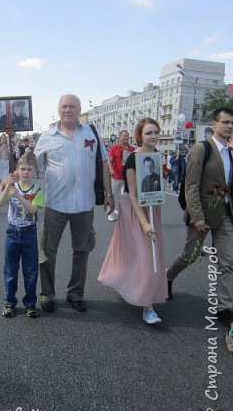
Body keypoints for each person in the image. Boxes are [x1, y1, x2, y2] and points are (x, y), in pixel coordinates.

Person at [34, 94, 114, 313]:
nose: (68, 110)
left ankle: (75, 293)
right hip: (55, 205)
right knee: (47, 252)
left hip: (84, 204)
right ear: (58, 110)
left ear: (79, 110)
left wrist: (109, 193)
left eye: (72, 106)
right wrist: (15, 180)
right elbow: (31, 165)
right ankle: (47, 294)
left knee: (82, 251)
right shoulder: (47, 137)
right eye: (64, 106)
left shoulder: (91, 133)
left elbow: (104, 163)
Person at [167, 107, 233, 327]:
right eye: (226, 122)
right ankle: (167, 277)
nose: (230, 126)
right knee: (190, 255)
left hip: (224, 214)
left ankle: (224, 307)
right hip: (202, 215)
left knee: (228, 261)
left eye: (232, 123)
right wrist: (197, 216)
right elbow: (191, 185)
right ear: (214, 124)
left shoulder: (230, 152)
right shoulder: (201, 149)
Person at [98, 118, 167, 324]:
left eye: (155, 132)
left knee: (149, 254)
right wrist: (144, 223)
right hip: (133, 211)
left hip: (152, 208)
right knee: (144, 254)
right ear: (140, 136)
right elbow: (133, 195)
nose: (153, 136)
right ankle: (147, 306)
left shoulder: (156, 155)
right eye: (148, 133)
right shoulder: (132, 159)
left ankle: (137, 288)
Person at [0, 152, 44, 318]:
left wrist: (17, 195)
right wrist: (7, 187)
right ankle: (10, 302)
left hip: (29, 234)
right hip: (12, 232)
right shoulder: (12, 187)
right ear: (17, 170)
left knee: (30, 271)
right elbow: (0, 203)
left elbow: (32, 210)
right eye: (22, 169)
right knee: (10, 270)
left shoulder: (38, 190)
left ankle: (30, 304)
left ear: (35, 171)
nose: (25, 172)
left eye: (29, 169)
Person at [107, 130, 135, 221]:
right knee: (113, 195)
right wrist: (111, 169)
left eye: (127, 136)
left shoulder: (132, 149)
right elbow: (109, 160)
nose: (126, 137)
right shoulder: (115, 148)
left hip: (127, 177)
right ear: (119, 137)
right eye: (124, 136)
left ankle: (125, 214)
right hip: (116, 176)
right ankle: (110, 213)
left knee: (125, 196)